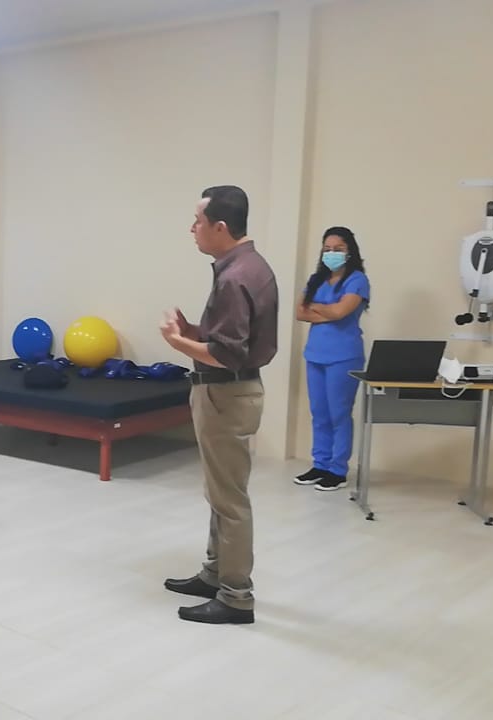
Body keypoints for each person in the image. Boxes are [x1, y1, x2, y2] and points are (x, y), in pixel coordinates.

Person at [160, 185, 278, 625]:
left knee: (229, 500)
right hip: (231, 391)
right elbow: (232, 339)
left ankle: (235, 596)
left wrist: (177, 342)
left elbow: (227, 354)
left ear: (221, 227)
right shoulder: (250, 266)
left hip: (226, 394)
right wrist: (194, 331)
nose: (192, 228)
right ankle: (214, 574)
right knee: (220, 493)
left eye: (198, 221)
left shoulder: (234, 276)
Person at [294, 227, 370, 492]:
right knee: (319, 413)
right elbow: (299, 313)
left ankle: (338, 470)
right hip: (315, 354)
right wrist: (329, 310)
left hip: (344, 357)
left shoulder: (357, 280)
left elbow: (340, 312)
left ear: (350, 251)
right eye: (327, 249)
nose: (331, 253)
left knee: (339, 413)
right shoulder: (317, 279)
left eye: (338, 249)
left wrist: (317, 307)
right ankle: (320, 464)